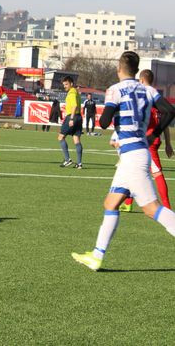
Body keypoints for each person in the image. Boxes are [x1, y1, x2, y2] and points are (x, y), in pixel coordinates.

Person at [71, 51, 175, 271]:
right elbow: (170, 111)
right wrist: (154, 134)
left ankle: (97, 256)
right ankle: (96, 256)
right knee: (111, 203)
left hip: (132, 157)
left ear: (119, 68)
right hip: (135, 154)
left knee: (152, 209)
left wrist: (114, 111)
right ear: (136, 70)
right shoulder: (148, 90)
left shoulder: (115, 90)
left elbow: (104, 121)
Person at [119, 69, 174, 212]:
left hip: (147, 142)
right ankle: (128, 202)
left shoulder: (144, 98)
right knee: (133, 171)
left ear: (142, 80)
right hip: (151, 140)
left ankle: (167, 207)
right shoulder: (157, 99)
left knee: (157, 174)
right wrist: (168, 143)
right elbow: (164, 123)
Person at [58, 76, 83, 169]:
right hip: (79, 117)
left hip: (72, 117)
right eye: (64, 84)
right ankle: (79, 163)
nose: (64, 86)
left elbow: (74, 106)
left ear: (71, 84)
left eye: (66, 84)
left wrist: (71, 119)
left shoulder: (72, 92)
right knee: (76, 139)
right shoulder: (76, 91)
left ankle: (67, 159)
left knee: (61, 137)